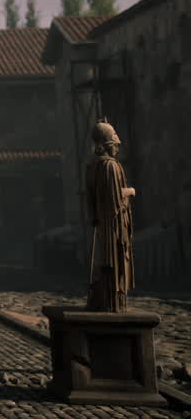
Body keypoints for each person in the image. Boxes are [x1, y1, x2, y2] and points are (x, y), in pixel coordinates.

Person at [85, 120, 135, 312]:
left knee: (104, 264)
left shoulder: (92, 166)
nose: (117, 148)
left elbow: (91, 198)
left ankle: (107, 299)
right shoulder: (110, 167)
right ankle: (114, 303)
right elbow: (114, 200)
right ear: (107, 145)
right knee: (115, 266)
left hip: (102, 224)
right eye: (114, 145)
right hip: (114, 227)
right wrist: (130, 191)